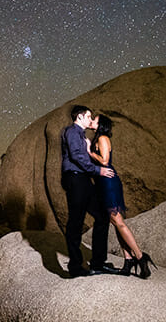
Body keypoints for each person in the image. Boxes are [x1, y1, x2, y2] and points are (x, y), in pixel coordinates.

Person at [87, 114, 155, 279]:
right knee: (115, 222)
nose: (91, 121)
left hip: (108, 183)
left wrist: (89, 151)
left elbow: (105, 161)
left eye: (94, 119)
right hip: (103, 183)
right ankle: (128, 259)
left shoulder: (103, 138)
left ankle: (140, 257)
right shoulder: (98, 138)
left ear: (100, 124)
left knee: (118, 222)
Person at [60, 105, 124, 277]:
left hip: (83, 179)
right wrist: (98, 171)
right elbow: (76, 156)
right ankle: (75, 267)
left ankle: (98, 263)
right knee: (76, 221)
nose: (91, 119)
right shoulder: (72, 132)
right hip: (75, 179)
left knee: (103, 216)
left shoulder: (82, 135)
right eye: (89, 116)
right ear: (80, 117)